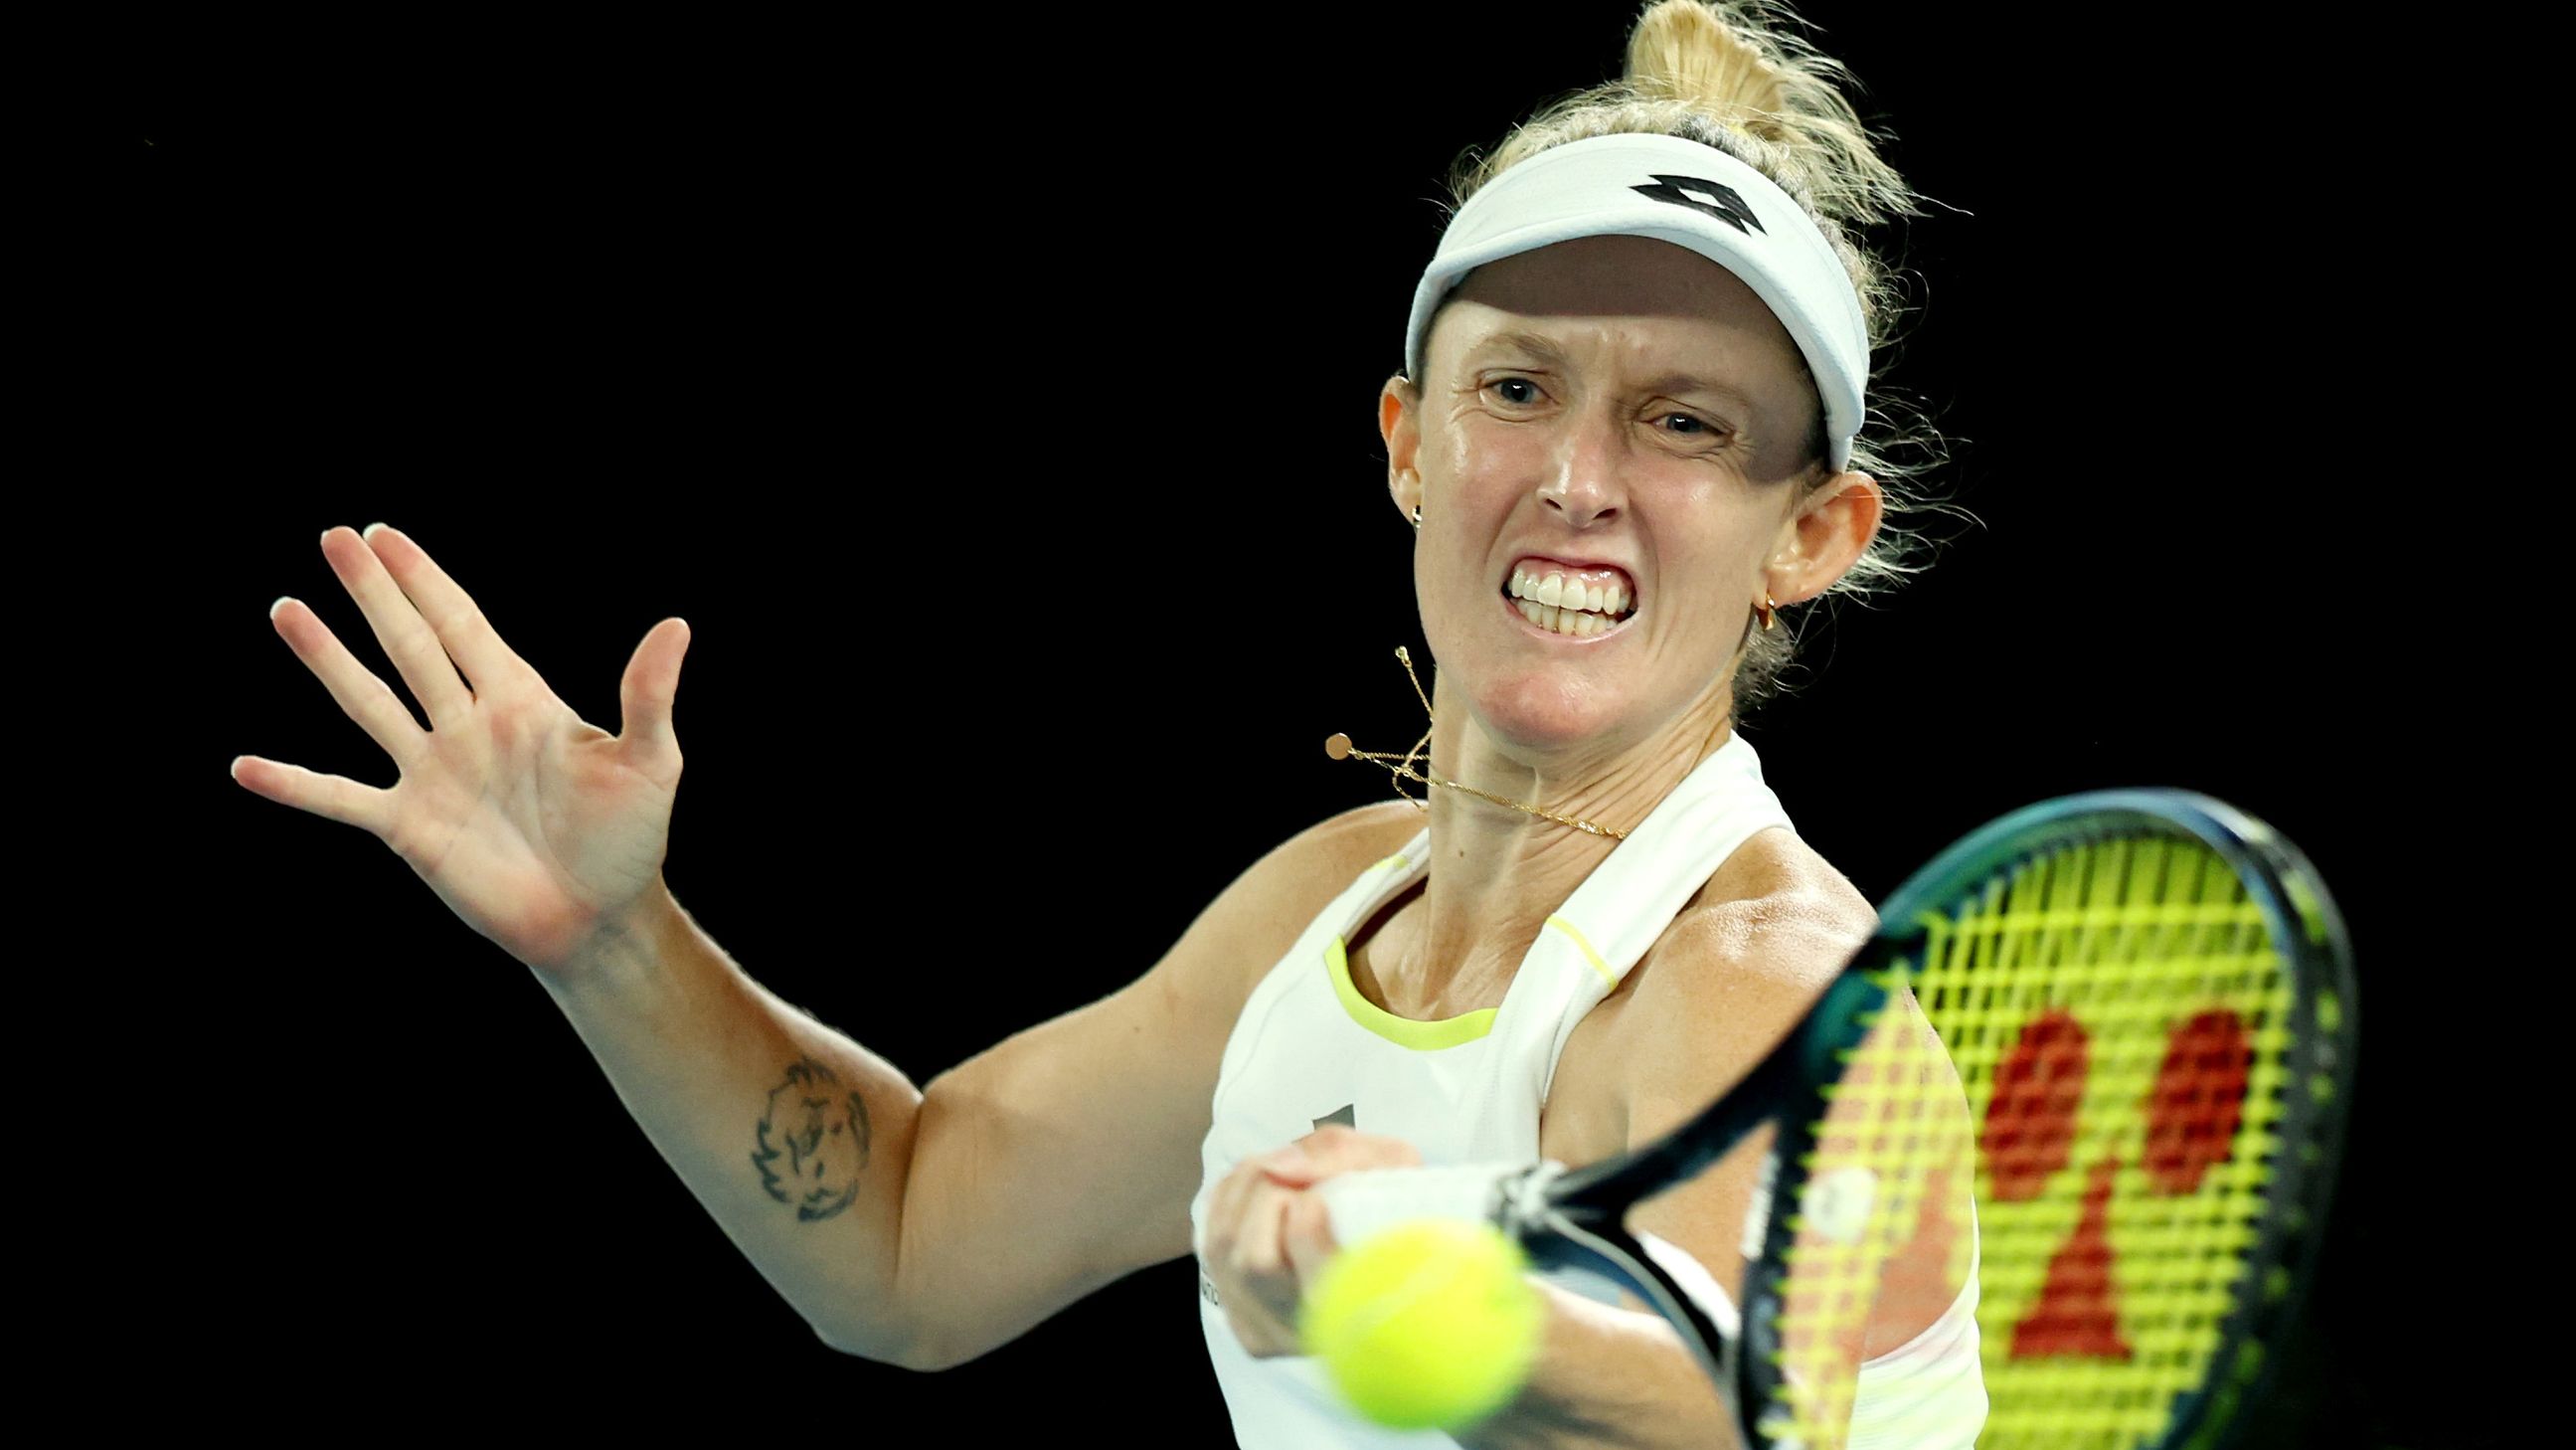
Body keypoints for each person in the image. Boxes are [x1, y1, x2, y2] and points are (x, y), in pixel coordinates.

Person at [228, 2, 1980, 1443]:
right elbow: (910, 1249)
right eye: (1519, 388)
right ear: (1409, 441)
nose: (1580, 480)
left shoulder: (1768, 977)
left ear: (1809, 538)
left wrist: (1419, 1291)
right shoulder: (1324, 915)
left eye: (1686, 425)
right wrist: (614, 939)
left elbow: (1747, 1388)